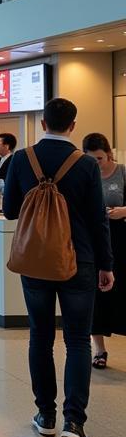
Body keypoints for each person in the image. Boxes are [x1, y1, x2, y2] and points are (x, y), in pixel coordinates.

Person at [3, 98, 114, 437]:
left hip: (36, 262)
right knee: (79, 340)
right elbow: (98, 219)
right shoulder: (85, 164)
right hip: (78, 261)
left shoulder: (22, 158)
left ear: (42, 122)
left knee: (40, 336)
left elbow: (8, 211)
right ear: (73, 124)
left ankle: (45, 416)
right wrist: (106, 264)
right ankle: (75, 421)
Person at [81, 133, 126, 371]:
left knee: (121, 292)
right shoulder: (85, 172)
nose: (96, 163)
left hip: (120, 237)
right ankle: (99, 349)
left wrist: (123, 211)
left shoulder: (122, 172)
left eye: (99, 158)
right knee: (96, 295)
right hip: (94, 239)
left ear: (108, 154)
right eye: (91, 159)